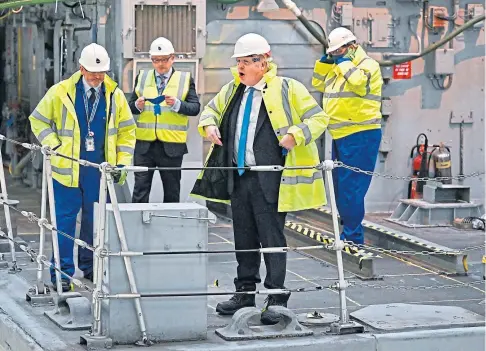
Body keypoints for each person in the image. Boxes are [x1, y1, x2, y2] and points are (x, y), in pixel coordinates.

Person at [191, 33, 329, 325]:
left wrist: (296, 135)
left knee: (272, 238)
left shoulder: (288, 89)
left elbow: (318, 119)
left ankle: (277, 297)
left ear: (262, 63)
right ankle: (245, 292)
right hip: (240, 176)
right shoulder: (233, 90)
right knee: (243, 237)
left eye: (244, 62)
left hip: (271, 178)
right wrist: (209, 127)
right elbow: (209, 112)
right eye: (238, 62)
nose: (239, 67)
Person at [29, 43, 136, 291]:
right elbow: (38, 119)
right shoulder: (61, 92)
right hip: (67, 170)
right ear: (81, 68)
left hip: (98, 171)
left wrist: (122, 163)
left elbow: (127, 131)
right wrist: (54, 146)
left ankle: (90, 268)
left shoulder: (114, 95)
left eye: (102, 72)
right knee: (64, 223)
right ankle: (62, 276)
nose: (98, 77)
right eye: (92, 72)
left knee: (94, 222)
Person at [312, 27, 383, 245]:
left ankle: (353, 238)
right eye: (332, 51)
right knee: (341, 187)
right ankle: (348, 233)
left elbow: (359, 84)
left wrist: (342, 62)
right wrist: (326, 60)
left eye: (338, 50)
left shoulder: (368, 66)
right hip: (340, 134)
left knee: (352, 188)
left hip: (361, 134)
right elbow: (317, 82)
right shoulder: (338, 66)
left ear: (352, 46)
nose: (335, 54)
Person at [128, 37, 201, 203]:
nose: (160, 64)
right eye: (156, 60)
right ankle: (137, 227)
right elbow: (129, 106)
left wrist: (177, 104)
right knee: (140, 189)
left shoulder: (184, 79)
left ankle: (171, 227)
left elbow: (195, 108)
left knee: (172, 190)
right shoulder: (142, 77)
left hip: (172, 147)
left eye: (164, 60)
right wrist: (137, 106)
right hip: (144, 146)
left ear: (172, 58)